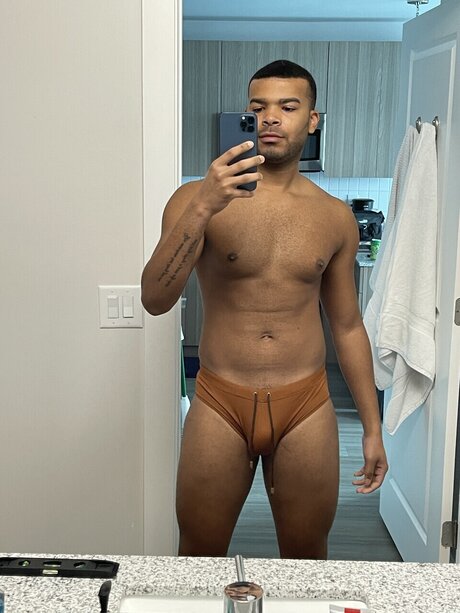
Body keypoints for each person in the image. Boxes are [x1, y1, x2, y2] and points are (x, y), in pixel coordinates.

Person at [141, 59, 388, 559]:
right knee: (198, 557)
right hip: (220, 400)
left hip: (306, 404)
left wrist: (372, 427)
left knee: (306, 560)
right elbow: (154, 299)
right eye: (258, 107)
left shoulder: (334, 217)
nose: (271, 117)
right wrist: (205, 206)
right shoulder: (193, 200)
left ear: (312, 120)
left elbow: (347, 326)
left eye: (287, 106)